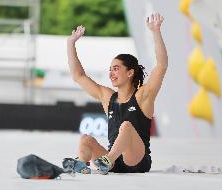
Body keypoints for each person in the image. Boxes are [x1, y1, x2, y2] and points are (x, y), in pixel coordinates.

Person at [62, 13, 168, 175]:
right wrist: (70, 43)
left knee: (126, 126)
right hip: (114, 162)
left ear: (130, 72)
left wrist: (155, 31)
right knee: (85, 139)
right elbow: (79, 76)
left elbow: (161, 66)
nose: (111, 73)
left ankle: (107, 161)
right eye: (110, 69)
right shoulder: (107, 97)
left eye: (116, 68)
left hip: (136, 161)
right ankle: (81, 163)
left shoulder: (142, 96)